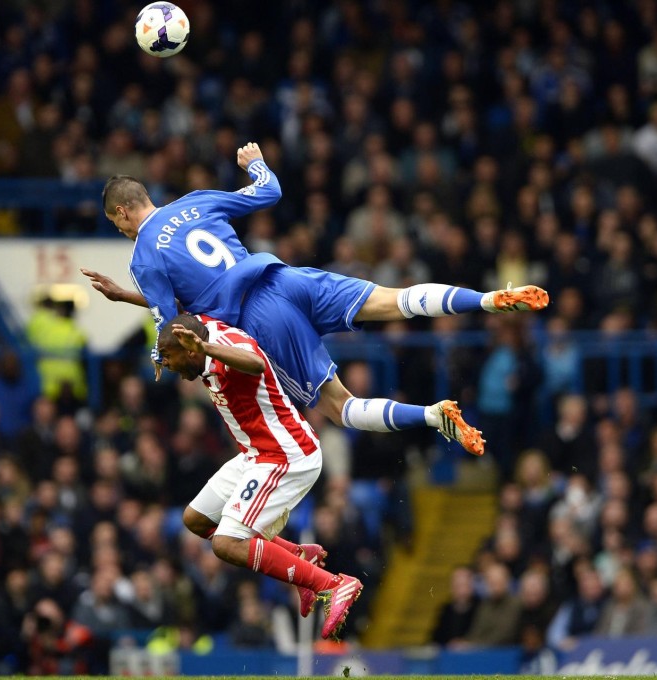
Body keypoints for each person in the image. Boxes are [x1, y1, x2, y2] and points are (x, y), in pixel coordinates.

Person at [84, 142, 549, 456]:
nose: (120, 230)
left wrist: (157, 355)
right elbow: (271, 190)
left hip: (258, 318)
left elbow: (174, 325)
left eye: (116, 223)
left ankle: (431, 415)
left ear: (123, 211)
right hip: (285, 278)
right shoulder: (195, 201)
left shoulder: (144, 255)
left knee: (338, 407)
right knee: (396, 299)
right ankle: (488, 299)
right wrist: (256, 162)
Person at [156, 313, 361, 640]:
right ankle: (297, 556)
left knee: (226, 544)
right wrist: (126, 295)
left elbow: (255, 363)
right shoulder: (199, 327)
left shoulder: (223, 347)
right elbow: (170, 302)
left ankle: (332, 584)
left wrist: (207, 348)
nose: (170, 368)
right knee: (196, 519)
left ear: (192, 349)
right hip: (255, 454)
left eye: (170, 359)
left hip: (285, 455)